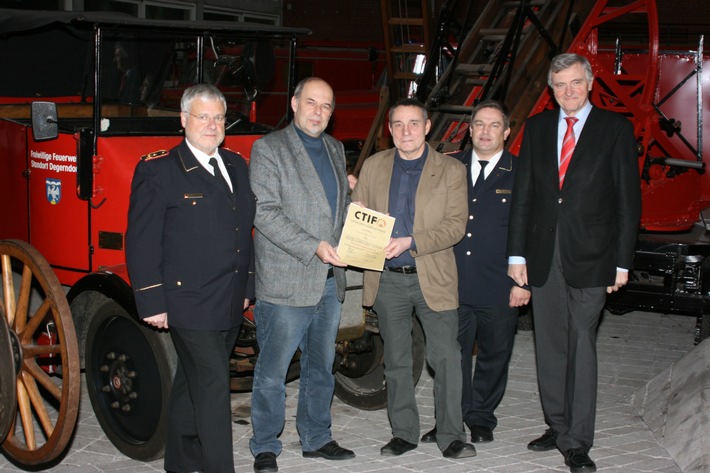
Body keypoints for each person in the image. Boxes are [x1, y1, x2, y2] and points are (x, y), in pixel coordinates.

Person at [507, 53, 641, 473]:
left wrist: (622, 262)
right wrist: (516, 255)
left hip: (593, 257)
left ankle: (578, 442)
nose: (568, 91)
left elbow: (627, 202)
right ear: (552, 89)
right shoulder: (538, 127)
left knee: (581, 341)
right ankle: (558, 424)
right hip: (544, 257)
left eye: (575, 83)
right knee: (549, 346)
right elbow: (523, 195)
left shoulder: (615, 129)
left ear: (589, 83)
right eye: (560, 85)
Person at [125, 84, 255, 473]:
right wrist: (152, 301)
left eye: (219, 117)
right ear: (183, 120)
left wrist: (247, 288)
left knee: (190, 382)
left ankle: (180, 462)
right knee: (215, 388)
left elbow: (242, 232)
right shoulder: (158, 170)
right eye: (203, 117)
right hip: (188, 302)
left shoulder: (235, 164)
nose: (212, 125)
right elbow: (141, 241)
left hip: (229, 298)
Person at [351, 98, 476, 459]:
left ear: (427, 127)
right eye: (398, 125)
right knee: (397, 359)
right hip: (388, 279)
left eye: (413, 124)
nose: (406, 131)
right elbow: (358, 214)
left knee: (447, 357)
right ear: (389, 130)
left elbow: (455, 227)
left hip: (432, 276)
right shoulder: (374, 167)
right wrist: (356, 215)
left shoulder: (451, 171)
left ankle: (452, 435)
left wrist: (412, 241)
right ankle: (403, 432)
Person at [248, 77, 354, 473]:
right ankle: (264, 445)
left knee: (320, 367)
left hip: (329, 281)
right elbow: (265, 212)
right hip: (287, 280)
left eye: (327, 106)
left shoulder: (335, 149)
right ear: (294, 104)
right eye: (311, 103)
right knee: (273, 372)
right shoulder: (269, 148)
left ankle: (316, 437)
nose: (319, 112)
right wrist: (313, 245)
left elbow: (337, 213)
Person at [420, 100, 530, 446]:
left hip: (500, 282)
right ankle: (450, 419)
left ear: (507, 132)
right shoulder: (448, 166)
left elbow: (534, 228)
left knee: (494, 355)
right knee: (450, 357)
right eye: (479, 124)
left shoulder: (522, 171)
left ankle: (481, 417)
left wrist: (525, 283)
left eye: (494, 125)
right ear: (469, 129)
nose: (485, 131)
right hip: (452, 281)